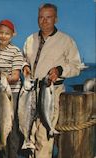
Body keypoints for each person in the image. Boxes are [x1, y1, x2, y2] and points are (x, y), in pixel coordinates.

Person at [22, 3, 81, 158]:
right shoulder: (30, 39)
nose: (44, 21)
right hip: (30, 93)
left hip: (51, 92)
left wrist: (60, 70)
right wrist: (25, 67)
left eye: (48, 17)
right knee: (30, 134)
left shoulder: (66, 41)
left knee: (43, 138)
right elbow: (23, 60)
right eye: (41, 17)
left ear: (56, 19)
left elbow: (76, 67)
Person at [0, 19, 24, 158]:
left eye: (7, 33)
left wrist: (3, 78)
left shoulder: (16, 51)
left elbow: (15, 76)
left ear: (13, 35)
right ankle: (1, 151)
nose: (3, 36)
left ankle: (13, 155)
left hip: (11, 93)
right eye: (1, 33)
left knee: (12, 127)